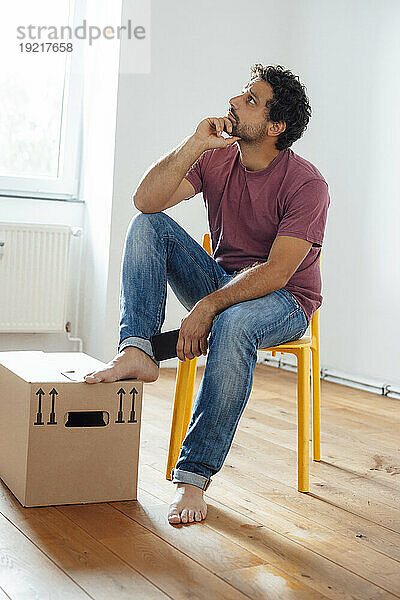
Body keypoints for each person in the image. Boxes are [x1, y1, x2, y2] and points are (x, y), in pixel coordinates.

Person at [83, 63, 330, 526]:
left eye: (251, 100)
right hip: (222, 280)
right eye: (242, 93)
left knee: (234, 323)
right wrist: (196, 142)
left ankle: (193, 479)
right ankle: (138, 348)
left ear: (275, 128)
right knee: (147, 226)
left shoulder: (307, 184)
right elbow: (146, 201)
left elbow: (278, 272)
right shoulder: (217, 157)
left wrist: (209, 306)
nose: (235, 102)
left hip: (285, 300)